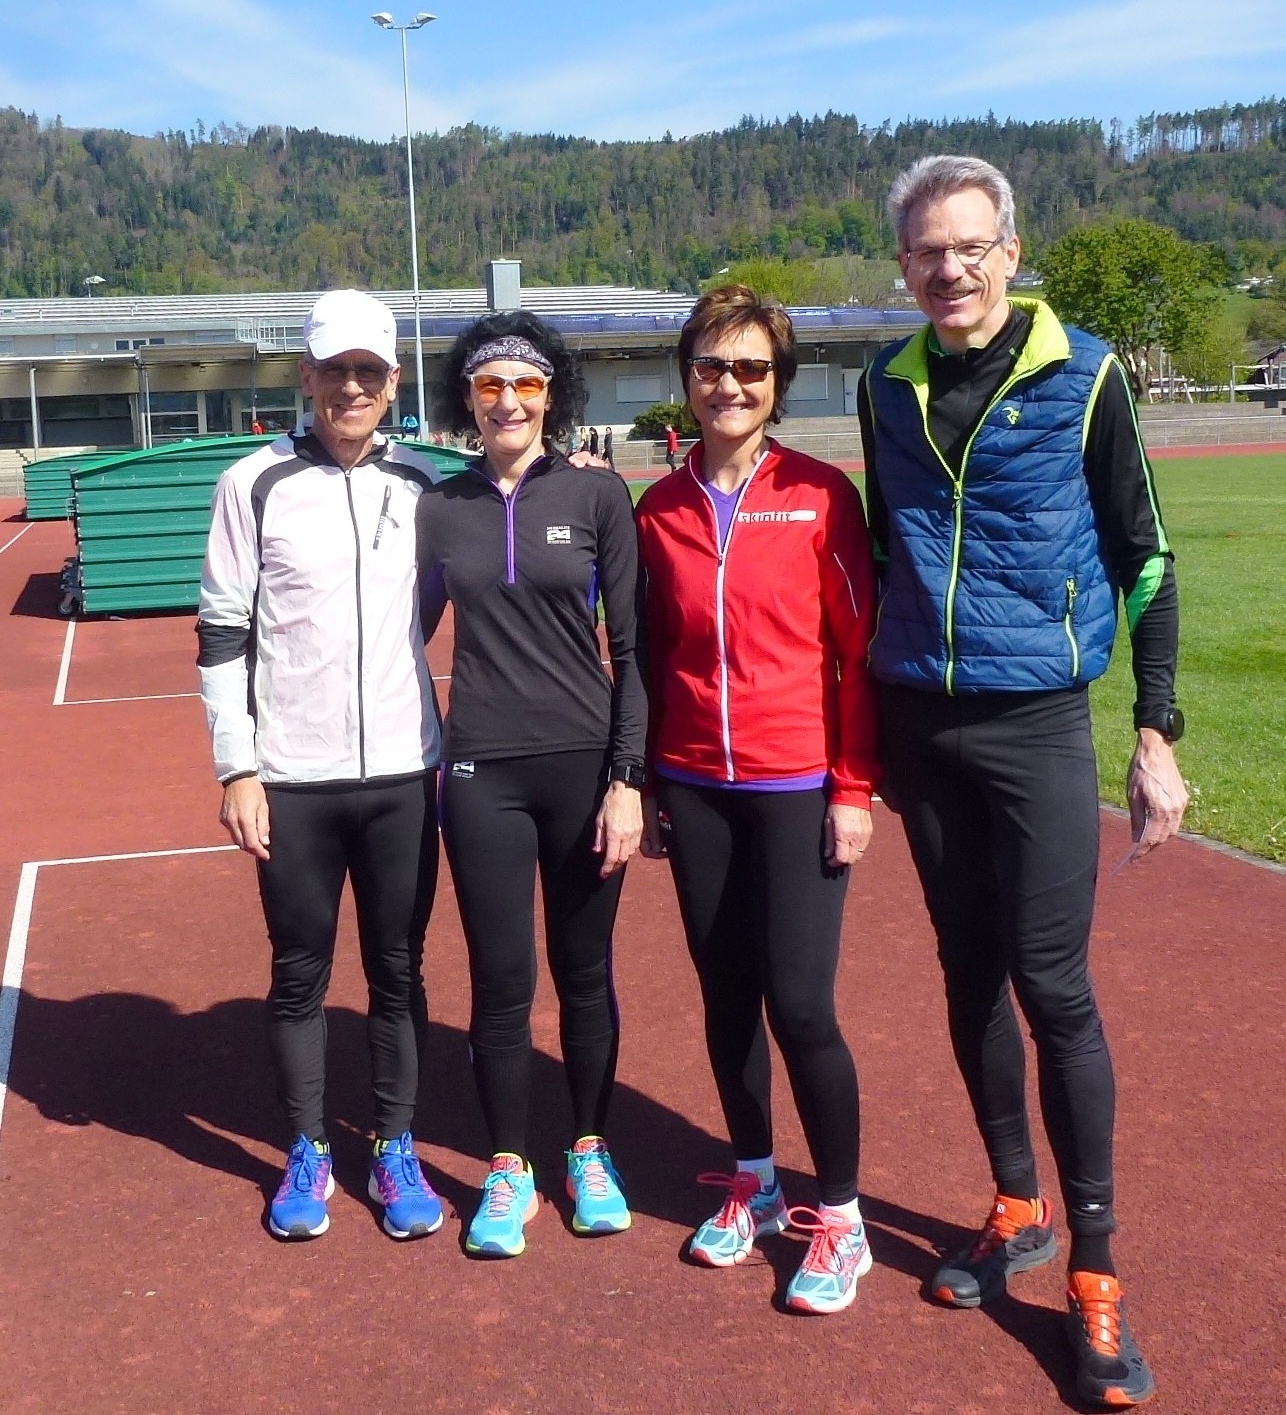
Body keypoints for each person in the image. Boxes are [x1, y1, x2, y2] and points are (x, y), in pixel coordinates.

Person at [859, 156, 1186, 1408]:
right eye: (926, 251)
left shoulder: (1086, 372)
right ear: (903, 263)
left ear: (1009, 246)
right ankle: (1014, 1205)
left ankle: (1093, 1273)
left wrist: (1152, 731)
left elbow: (1142, 557)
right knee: (966, 971)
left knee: (1052, 981)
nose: (949, 269)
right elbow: (886, 544)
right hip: (921, 728)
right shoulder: (881, 384)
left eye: (970, 246)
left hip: (1037, 722)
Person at [635, 285, 880, 1315]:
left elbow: (857, 654)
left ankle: (841, 1216)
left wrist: (853, 787)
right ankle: (753, 1177)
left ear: (776, 384)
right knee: (726, 994)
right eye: (709, 366)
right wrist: (646, 778)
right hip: (693, 782)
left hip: (795, 783)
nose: (728, 385)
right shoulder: (657, 508)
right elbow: (648, 651)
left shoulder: (821, 494)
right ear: (684, 379)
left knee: (802, 1001)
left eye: (749, 369)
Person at [197, 290, 445, 1242]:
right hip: (290, 778)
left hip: (398, 777)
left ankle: (394, 1144)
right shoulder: (250, 483)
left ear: (390, 384)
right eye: (334, 369)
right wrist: (237, 766)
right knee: (300, 970)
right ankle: (308, 1149)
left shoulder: (420, 486)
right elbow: (222, 633)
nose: (351, 386)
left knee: (399, 970)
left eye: (369, 372)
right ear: (304, 376)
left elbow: (422, 614)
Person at [421, 310, 646, 1258]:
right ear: (466, 400)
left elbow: (632, 647)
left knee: (585, 973)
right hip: (481, 773)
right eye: (489, 385)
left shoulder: (599, 497)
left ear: (552, 396)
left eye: (526, 384)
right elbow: (396, 634)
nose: (508, 401)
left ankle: (588, 1149)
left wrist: (628, 776)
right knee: (501, 979)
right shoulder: (440, 506)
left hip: (583, 769)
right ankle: (507, 1166)